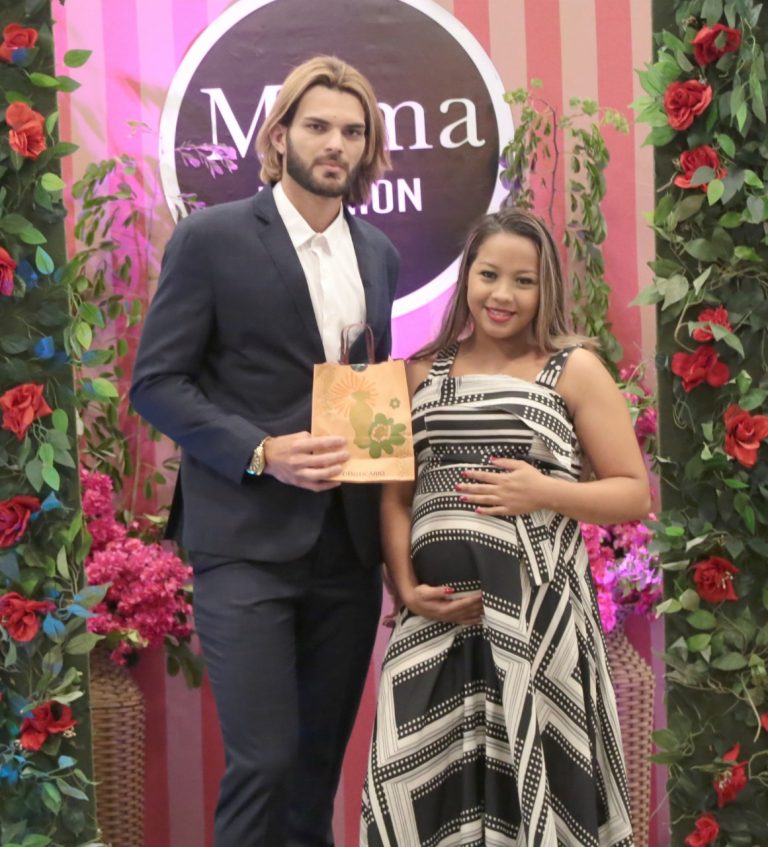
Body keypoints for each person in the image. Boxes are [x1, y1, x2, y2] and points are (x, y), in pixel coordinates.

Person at [130, 56, 399, 847]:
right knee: (264, 759)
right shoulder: (210, 238)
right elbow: (156, 383)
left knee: (314, 772)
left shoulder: (378, 253)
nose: (335, 144)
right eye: (317, 126)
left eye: (352, 131)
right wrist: (262, 450)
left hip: (348, 552)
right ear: (279, 136)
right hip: (244, 542)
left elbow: (366, 384)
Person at [362, 208, 649, 846]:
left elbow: (633, 490)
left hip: (537, 622)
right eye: (489, 275)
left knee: (539, 792)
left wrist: (544, 490)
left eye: (524, 281)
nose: (503, 295)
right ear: (466, 276)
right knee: (417, 788)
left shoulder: (573, 367)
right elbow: (395, 497)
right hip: (435, 623)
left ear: (547, 288)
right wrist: (404, 588)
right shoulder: (418, 372)